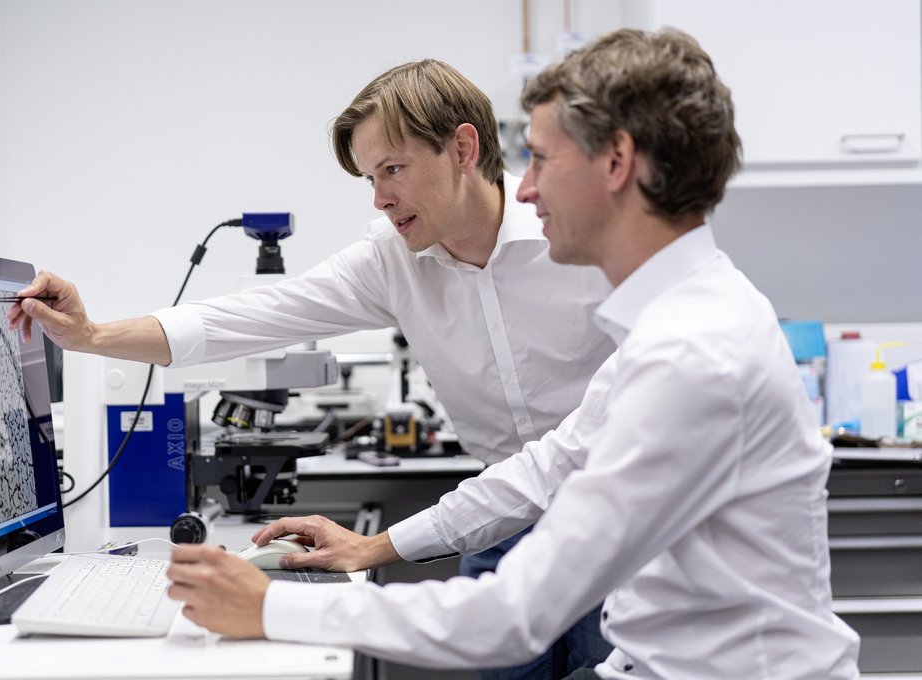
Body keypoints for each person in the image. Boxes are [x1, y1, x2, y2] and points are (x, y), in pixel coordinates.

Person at [163, 28, 862, 679]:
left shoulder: (692, 354)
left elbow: (513, 614)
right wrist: (378, 547)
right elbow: (541, 469)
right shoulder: (675, 320)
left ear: (615, 162)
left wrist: (269, 608)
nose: (523, 188)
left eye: (542, 159)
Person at [8, 60, 616, 676]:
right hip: (497, 526)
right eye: (370, 177)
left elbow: (595, 441)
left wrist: (375, 546)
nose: (380, 198)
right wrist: (89, 336)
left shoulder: (574, 236)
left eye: (393, 169)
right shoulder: (392, 260)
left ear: (462, 148)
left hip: (622, 525)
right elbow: (254, 315)